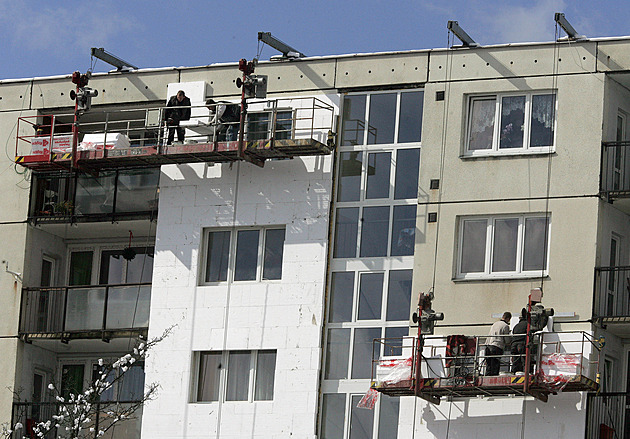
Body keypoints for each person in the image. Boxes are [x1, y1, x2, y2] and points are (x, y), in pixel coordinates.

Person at [485, 311, 511, 376]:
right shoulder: (505, 326)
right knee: (495, 366)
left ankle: (487, 379)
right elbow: (507, 340)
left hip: (488, 346)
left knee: (489, 366)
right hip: (496, 347)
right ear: (508, 318)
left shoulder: (494, 324)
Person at [511, 308, 528, 373]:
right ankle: (525, 373)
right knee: (524, 360)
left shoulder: (516, 326)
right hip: (521, 345)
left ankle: (514, 372)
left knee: (515, 361)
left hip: (513, 345)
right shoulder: (527, 324)